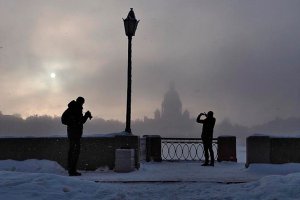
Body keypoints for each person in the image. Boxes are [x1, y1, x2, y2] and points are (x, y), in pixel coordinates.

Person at [62, 96, 92, 176]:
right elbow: (78, 121)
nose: (82, 105)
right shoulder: (75, 109)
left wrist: (85, 116)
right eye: (82, 103)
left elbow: (79, 121)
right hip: (74, 134)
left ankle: (71, 169)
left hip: (74, 133)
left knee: (73, 151)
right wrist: (74, 122)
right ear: (80, 102)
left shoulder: (73, 108)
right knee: (74, 152)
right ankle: (72, 171)